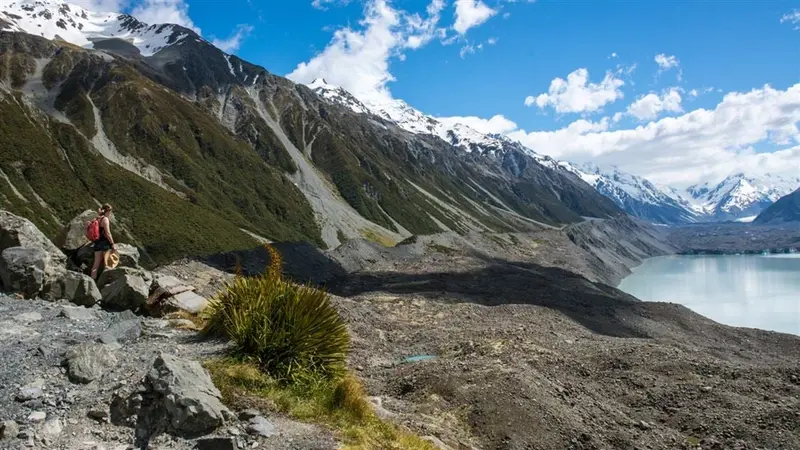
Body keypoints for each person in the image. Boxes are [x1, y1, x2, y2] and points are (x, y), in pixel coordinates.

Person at [90, 204, 117, 280]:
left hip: (97, 243)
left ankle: (92, 282)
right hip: (105, 244)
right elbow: (108, 233)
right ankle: (104, 284)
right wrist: (112, 244)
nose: (110, 213)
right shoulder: (105, 219)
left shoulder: (97, 218)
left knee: (95, 265)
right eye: (110, 211)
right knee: (107, 265)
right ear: (107, 211)